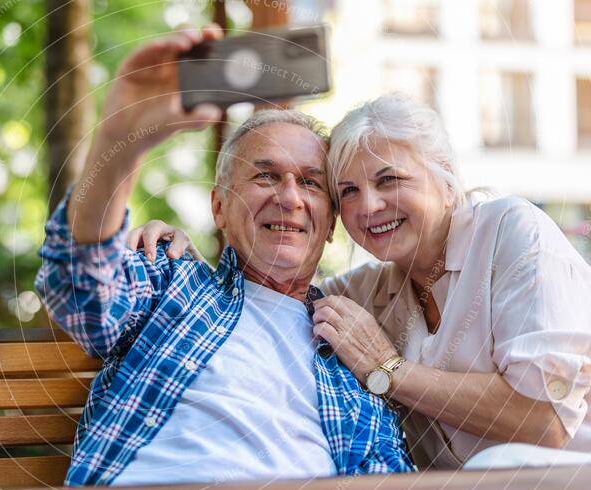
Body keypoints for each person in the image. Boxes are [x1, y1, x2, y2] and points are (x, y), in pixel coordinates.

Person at [35, 27, 412, 488]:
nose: (290, 197)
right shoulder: (170, 280)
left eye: (311, 182)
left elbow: (388, 489)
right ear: (219, 208)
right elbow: (80, 292)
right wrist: (122, 140)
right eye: (265, 176)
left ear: (331, 222)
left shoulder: (349, 354)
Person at [134, 93, 591, 470]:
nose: (369, 207)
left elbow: (545, 418)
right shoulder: (369, 291)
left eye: (389, 180)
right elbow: (268, 294)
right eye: (348, 191)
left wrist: (389, 371)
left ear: (445, 178)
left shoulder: (512, 232)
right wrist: (190, 264)